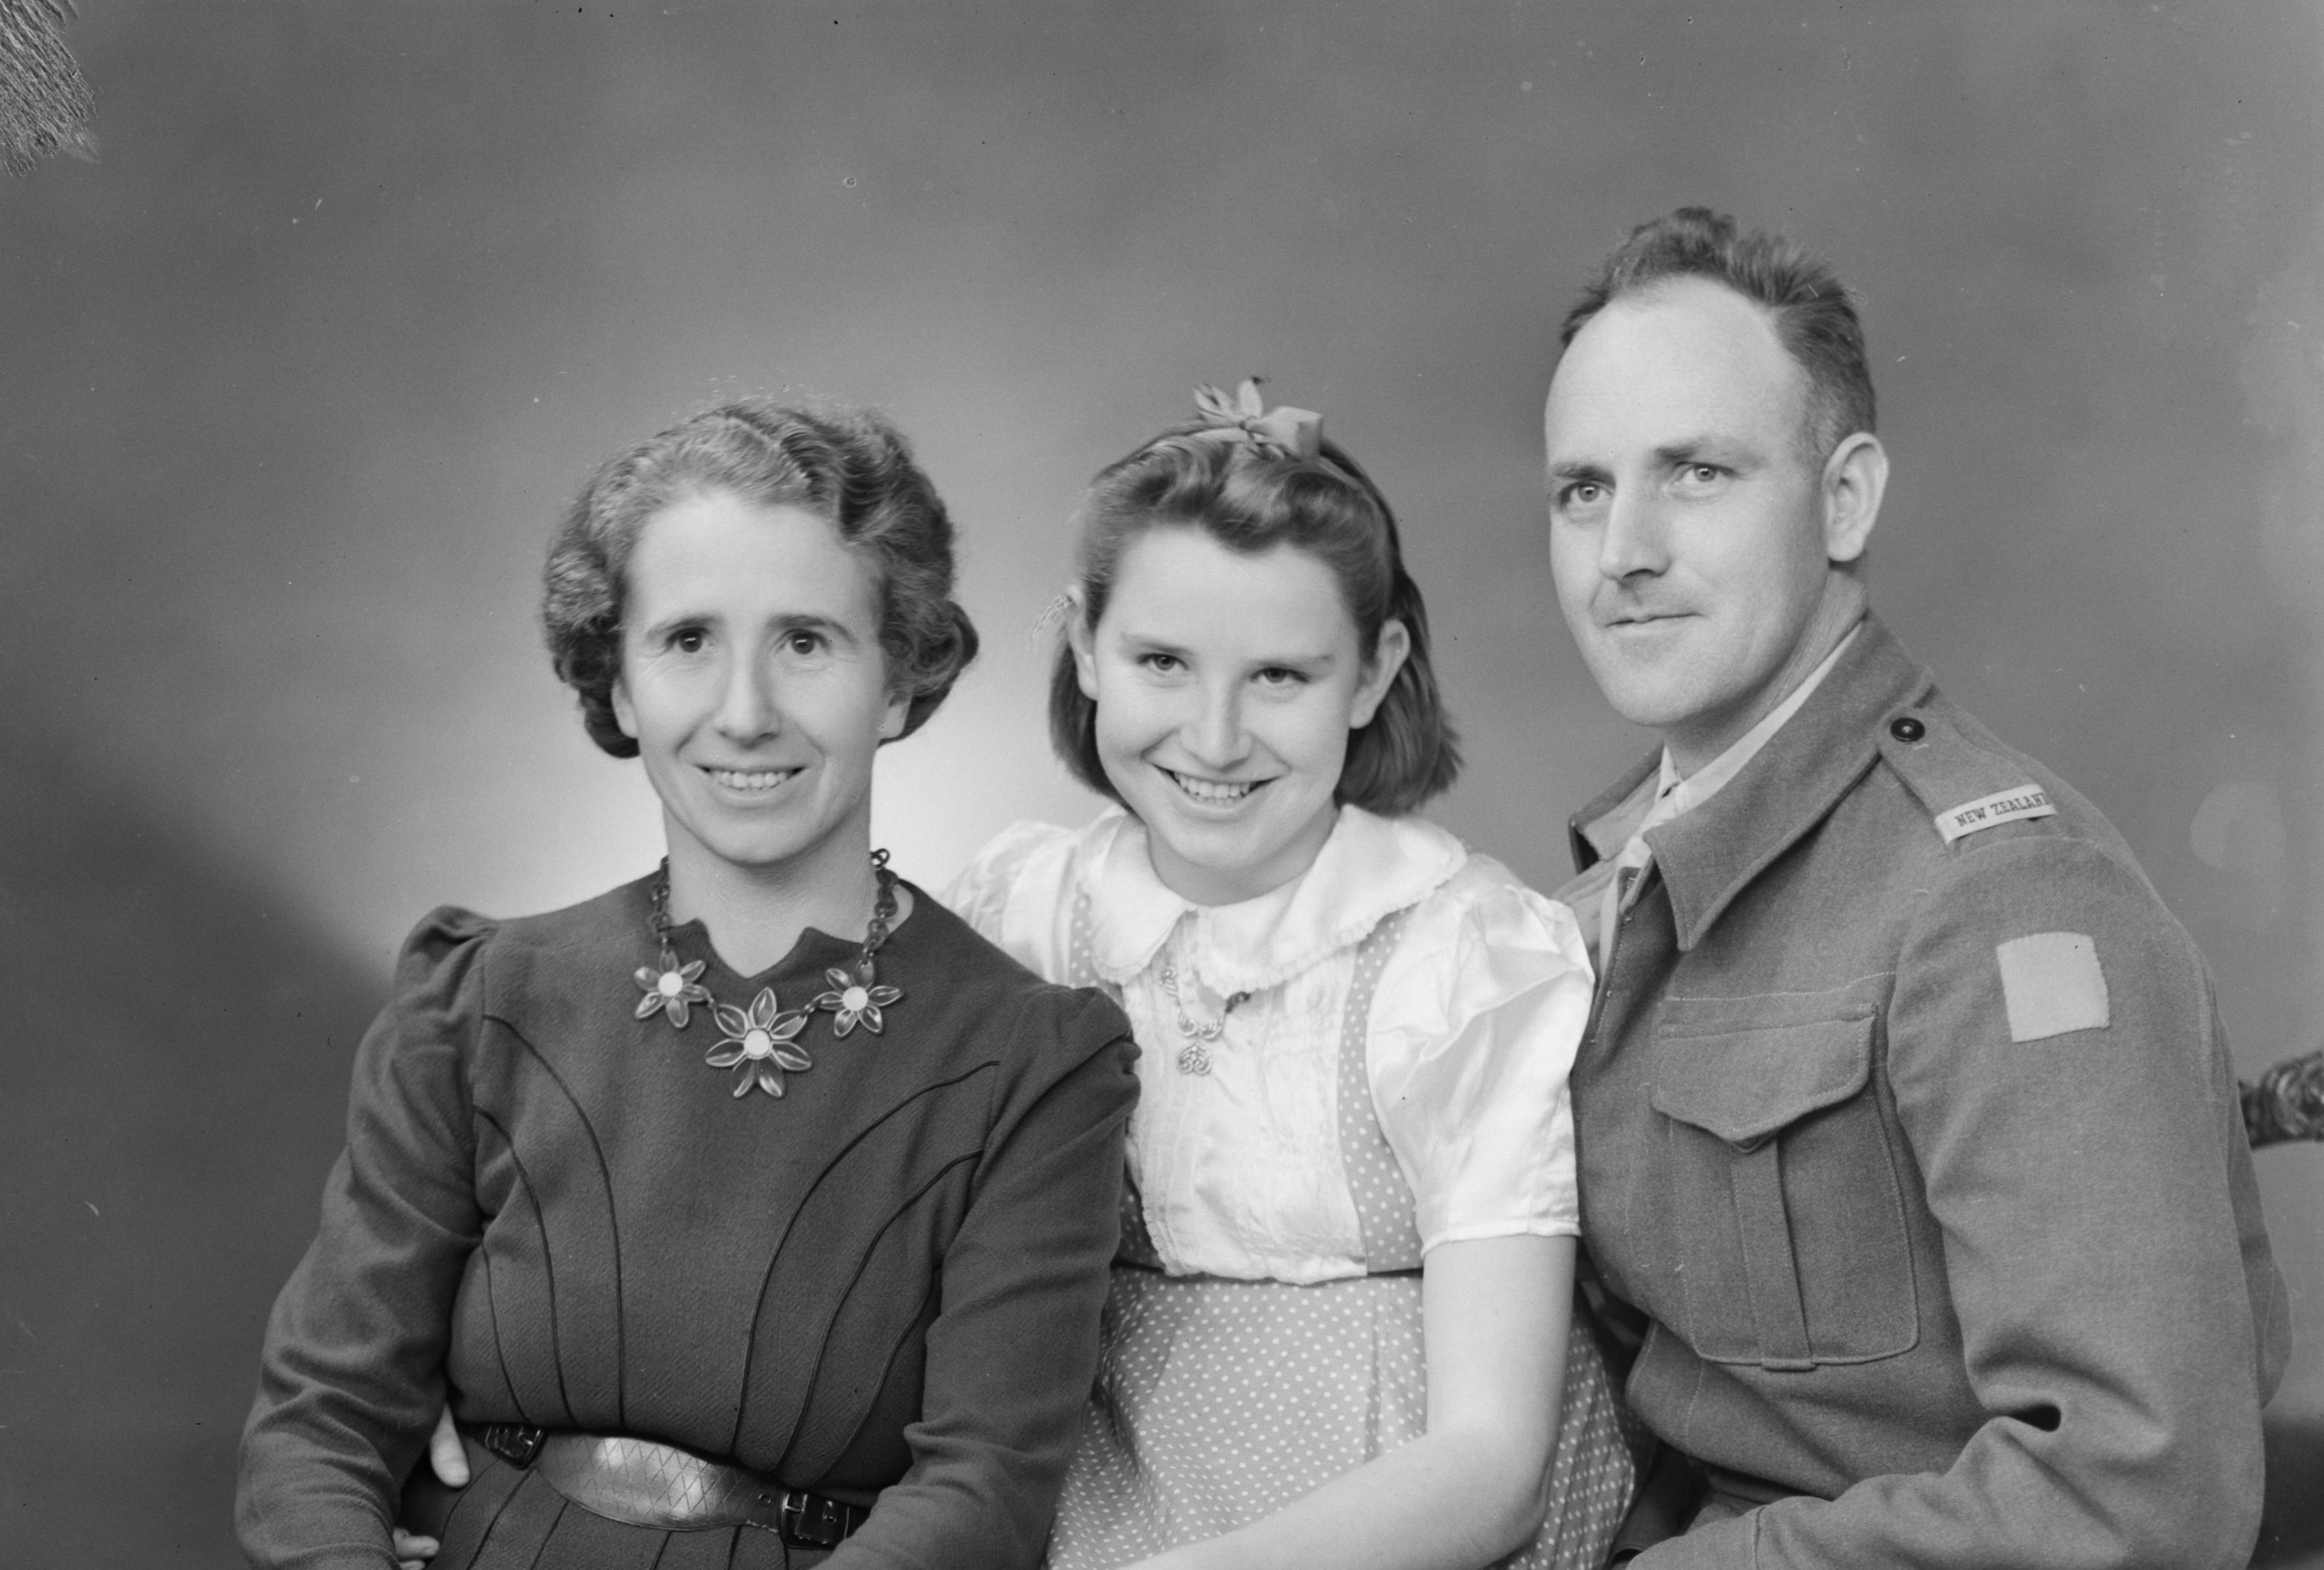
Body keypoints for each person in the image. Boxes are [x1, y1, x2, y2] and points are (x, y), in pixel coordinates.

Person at [236, 400, 1140, 1570]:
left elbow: (983, 1491)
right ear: (617, 685)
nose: (746, 712)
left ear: (902, 679)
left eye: (806, 641)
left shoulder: (1034, 1060)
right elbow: (320, 1422)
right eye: (688, 641)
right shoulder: (475, 999)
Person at [1540, 209, 2289, 1565]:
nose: (1622, 549)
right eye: (1582, 488)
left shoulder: (2003, 896)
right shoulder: (1623, 896)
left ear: (1846, 497)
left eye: (1696, 471)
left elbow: (2139, 1498)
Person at [946, 382, 1641, 1570]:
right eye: (1162, 660)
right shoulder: (1024, 921)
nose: (1214, 740)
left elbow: (1491, 1464)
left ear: (1371, 676)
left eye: (1279, 677)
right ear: (1085, 650)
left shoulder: (1453, 955)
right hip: (1076, 1511)